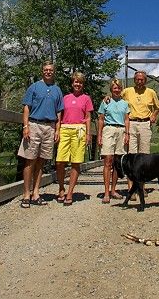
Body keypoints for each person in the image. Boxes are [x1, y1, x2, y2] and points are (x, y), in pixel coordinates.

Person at [17, 61, 63, 208]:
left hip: (49, 127)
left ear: (54, 72)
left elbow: (59, 111)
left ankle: (36, 193)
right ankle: (26, 194)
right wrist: (25, 126)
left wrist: (57, 129)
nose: (48, 72)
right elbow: (26, 107)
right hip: (34, 125)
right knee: (29, 160)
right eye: (45, 70)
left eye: (50, 70)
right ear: (42, 71)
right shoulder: (34, 87)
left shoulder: (57, 90)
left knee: (41, 161)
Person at [55, 72, 93, 206]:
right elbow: (59, 115)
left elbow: (88, 117)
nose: (78, 84)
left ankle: (70, 192)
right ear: (72, 83)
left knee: (75, 162)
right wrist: (57, 130)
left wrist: (88, 134)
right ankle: (61, 188)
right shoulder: (65, 98)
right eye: (76, 82)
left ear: (83, 84)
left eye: (80, 82)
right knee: (60, 161)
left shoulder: (86, 98)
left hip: (79, 130)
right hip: (65, 128)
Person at [97, 79, 130, 203]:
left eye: (119, 88)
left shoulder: (125, 103)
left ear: (121, 89)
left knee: (117, 162)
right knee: (108, 161)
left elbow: (127, 119)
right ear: (111, 89)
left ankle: (113, 190)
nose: (117, 90)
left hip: (121, 130)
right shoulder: (105, 102)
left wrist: (127, 133)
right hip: (109, 129)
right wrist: (99, 135)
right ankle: (106, 192)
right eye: (114, 88)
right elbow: (101, 119)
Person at [122, 71, 159, 154]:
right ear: (134, 80)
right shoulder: (127, 91)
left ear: (145, 80)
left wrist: (154, 115)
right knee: (131, 153)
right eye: (137, 79)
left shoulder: (151, 92)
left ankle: (144, 167)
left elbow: (157, 107)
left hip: (145, 124)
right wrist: (108, 97)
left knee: (144, 153)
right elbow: (116, 97)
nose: (139, 82)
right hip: (131, 124)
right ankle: (133, 167)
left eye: (142, 80)